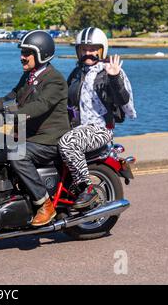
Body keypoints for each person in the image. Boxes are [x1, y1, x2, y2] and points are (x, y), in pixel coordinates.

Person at [0, 30, 70, 226]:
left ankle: (45, 203)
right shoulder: (29, 77)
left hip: (49, 139)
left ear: (41, 53)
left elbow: (39, 106)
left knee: (17, 153)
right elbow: (7, 100)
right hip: (30, 136)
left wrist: (7, 118)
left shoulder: (54, 79)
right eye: (22, 52)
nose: (22, 57)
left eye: (27, 52)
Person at [58, 27, 136, 208]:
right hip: (76, 128)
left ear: (102, 50)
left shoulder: (110, 71)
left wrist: (115, 78)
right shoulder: (77, 73)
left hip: (100, 130)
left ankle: (88, 189)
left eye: (93, 49)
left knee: (68, 143)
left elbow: (125, 103)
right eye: (84, 50)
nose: (88, 53)